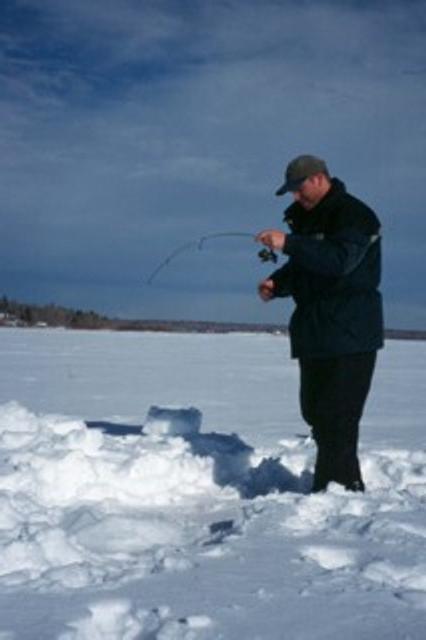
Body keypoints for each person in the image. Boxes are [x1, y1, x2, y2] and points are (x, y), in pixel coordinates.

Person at [256, 155, 384, 493]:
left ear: (317, 179)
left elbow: (340, 261)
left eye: (298, 190)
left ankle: (338, 492)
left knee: (338, 418)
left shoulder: (354, 215)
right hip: (316, 330)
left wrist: (288, 243)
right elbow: (307, 265)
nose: (296, 198)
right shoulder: (307, 220)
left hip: (351, 330)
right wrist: (278, 284)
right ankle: (336, 488)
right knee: (316, 412)